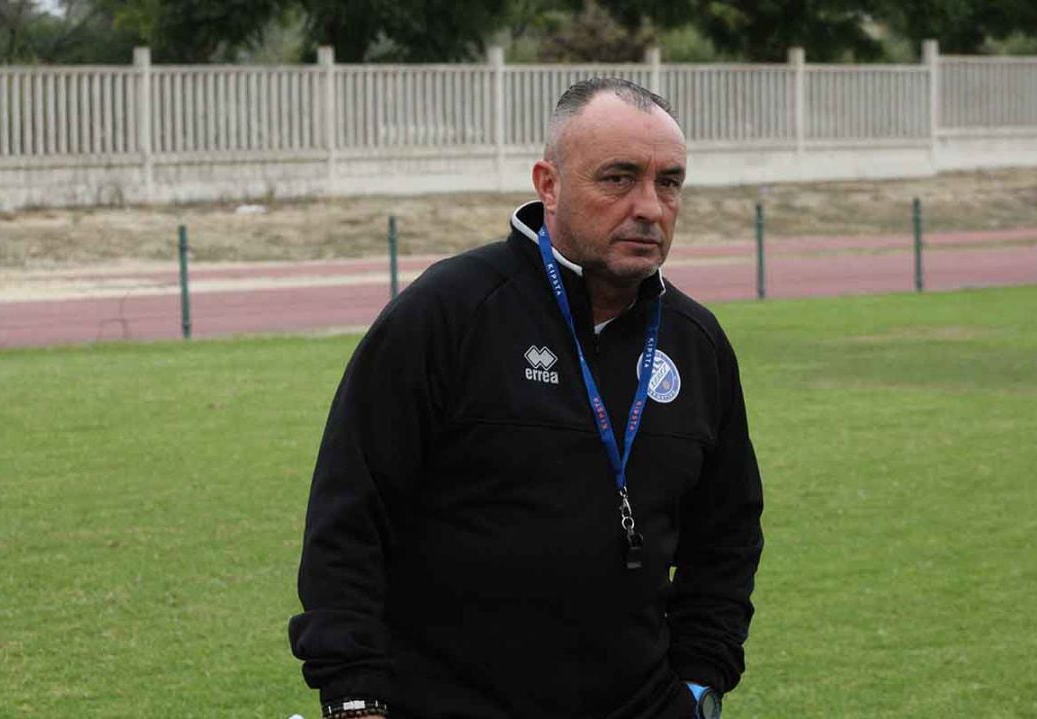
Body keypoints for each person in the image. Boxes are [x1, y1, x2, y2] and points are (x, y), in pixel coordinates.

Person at [289, 78, 764, 719]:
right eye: (619, 178)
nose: (649, 207)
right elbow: (349, 515)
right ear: (550, 184)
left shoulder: (696, 342)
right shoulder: (448, 313)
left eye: (669, 182)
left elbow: (727, 535)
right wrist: (353, 696)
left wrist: (701, 682)